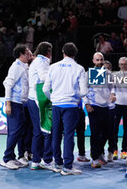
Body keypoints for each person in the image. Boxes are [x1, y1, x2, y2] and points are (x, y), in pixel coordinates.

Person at [43, 42, 88, 175]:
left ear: (63, 52)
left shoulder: (53, 67)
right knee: (68, 135)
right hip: (71, 106)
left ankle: (57, 163)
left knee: (56, 135)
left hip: (56, 105)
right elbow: (84, 91)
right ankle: (67, 167)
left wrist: (54, 98)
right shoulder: (79, 68)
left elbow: (45, 89)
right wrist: (75, 96)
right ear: (75, 54)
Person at [0, 44, 30, 170]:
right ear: (21, 54)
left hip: (20, 103)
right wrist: (8, 103)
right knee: (14, 131)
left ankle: (12, 156)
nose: (29, 54)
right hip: (14, 103)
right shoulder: (16, 67)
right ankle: (6, 158)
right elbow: (8, 84)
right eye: (27, 52)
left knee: (18, 131)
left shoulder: (24, 67)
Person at [84, 52, 116, 168]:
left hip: (106, 106)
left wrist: (113, 94)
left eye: (101, 60)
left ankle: (99, 152)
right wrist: (87, 104)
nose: (99, 62)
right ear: (93, 61)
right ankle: (95, 158)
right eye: (97, 60)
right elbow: (84, 90)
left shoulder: (108, 74)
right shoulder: (88, 74)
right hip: (93, 106)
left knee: (107, 133)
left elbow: (112, 87)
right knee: (95, 134)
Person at [26, 42, 54, 170]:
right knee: (47, 131)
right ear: (48, 51)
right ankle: (46, 160)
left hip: (33, 97)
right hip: (40, 97)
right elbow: (44, 78)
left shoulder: (36, 61)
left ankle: (36, 161)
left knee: (38, 131)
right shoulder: (42, 61)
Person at [113, 57, 127, 160]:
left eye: (125, 64)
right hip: (117, 104)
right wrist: (124, 79)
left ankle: (125, 150)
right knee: (114, 128)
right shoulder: (115, 75)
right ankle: (114, 149)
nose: (123, 66)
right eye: (121, 64)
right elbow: (113, 85)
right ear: (119, 65)